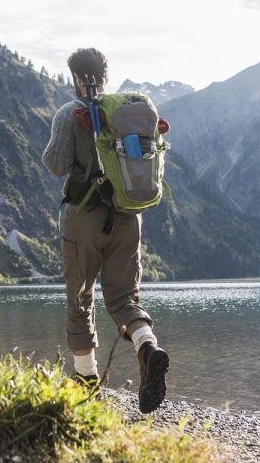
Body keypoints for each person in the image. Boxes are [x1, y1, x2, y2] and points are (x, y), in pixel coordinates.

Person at [42, 47, 169, 413]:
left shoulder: (70, 113)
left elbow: (55, 163)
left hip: (84, 217)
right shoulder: (129, 114)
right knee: (124, 299)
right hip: (128, 218)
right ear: (105, 75)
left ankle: (86, 380)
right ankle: (147, 347)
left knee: (80, 298)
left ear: (77, 78)